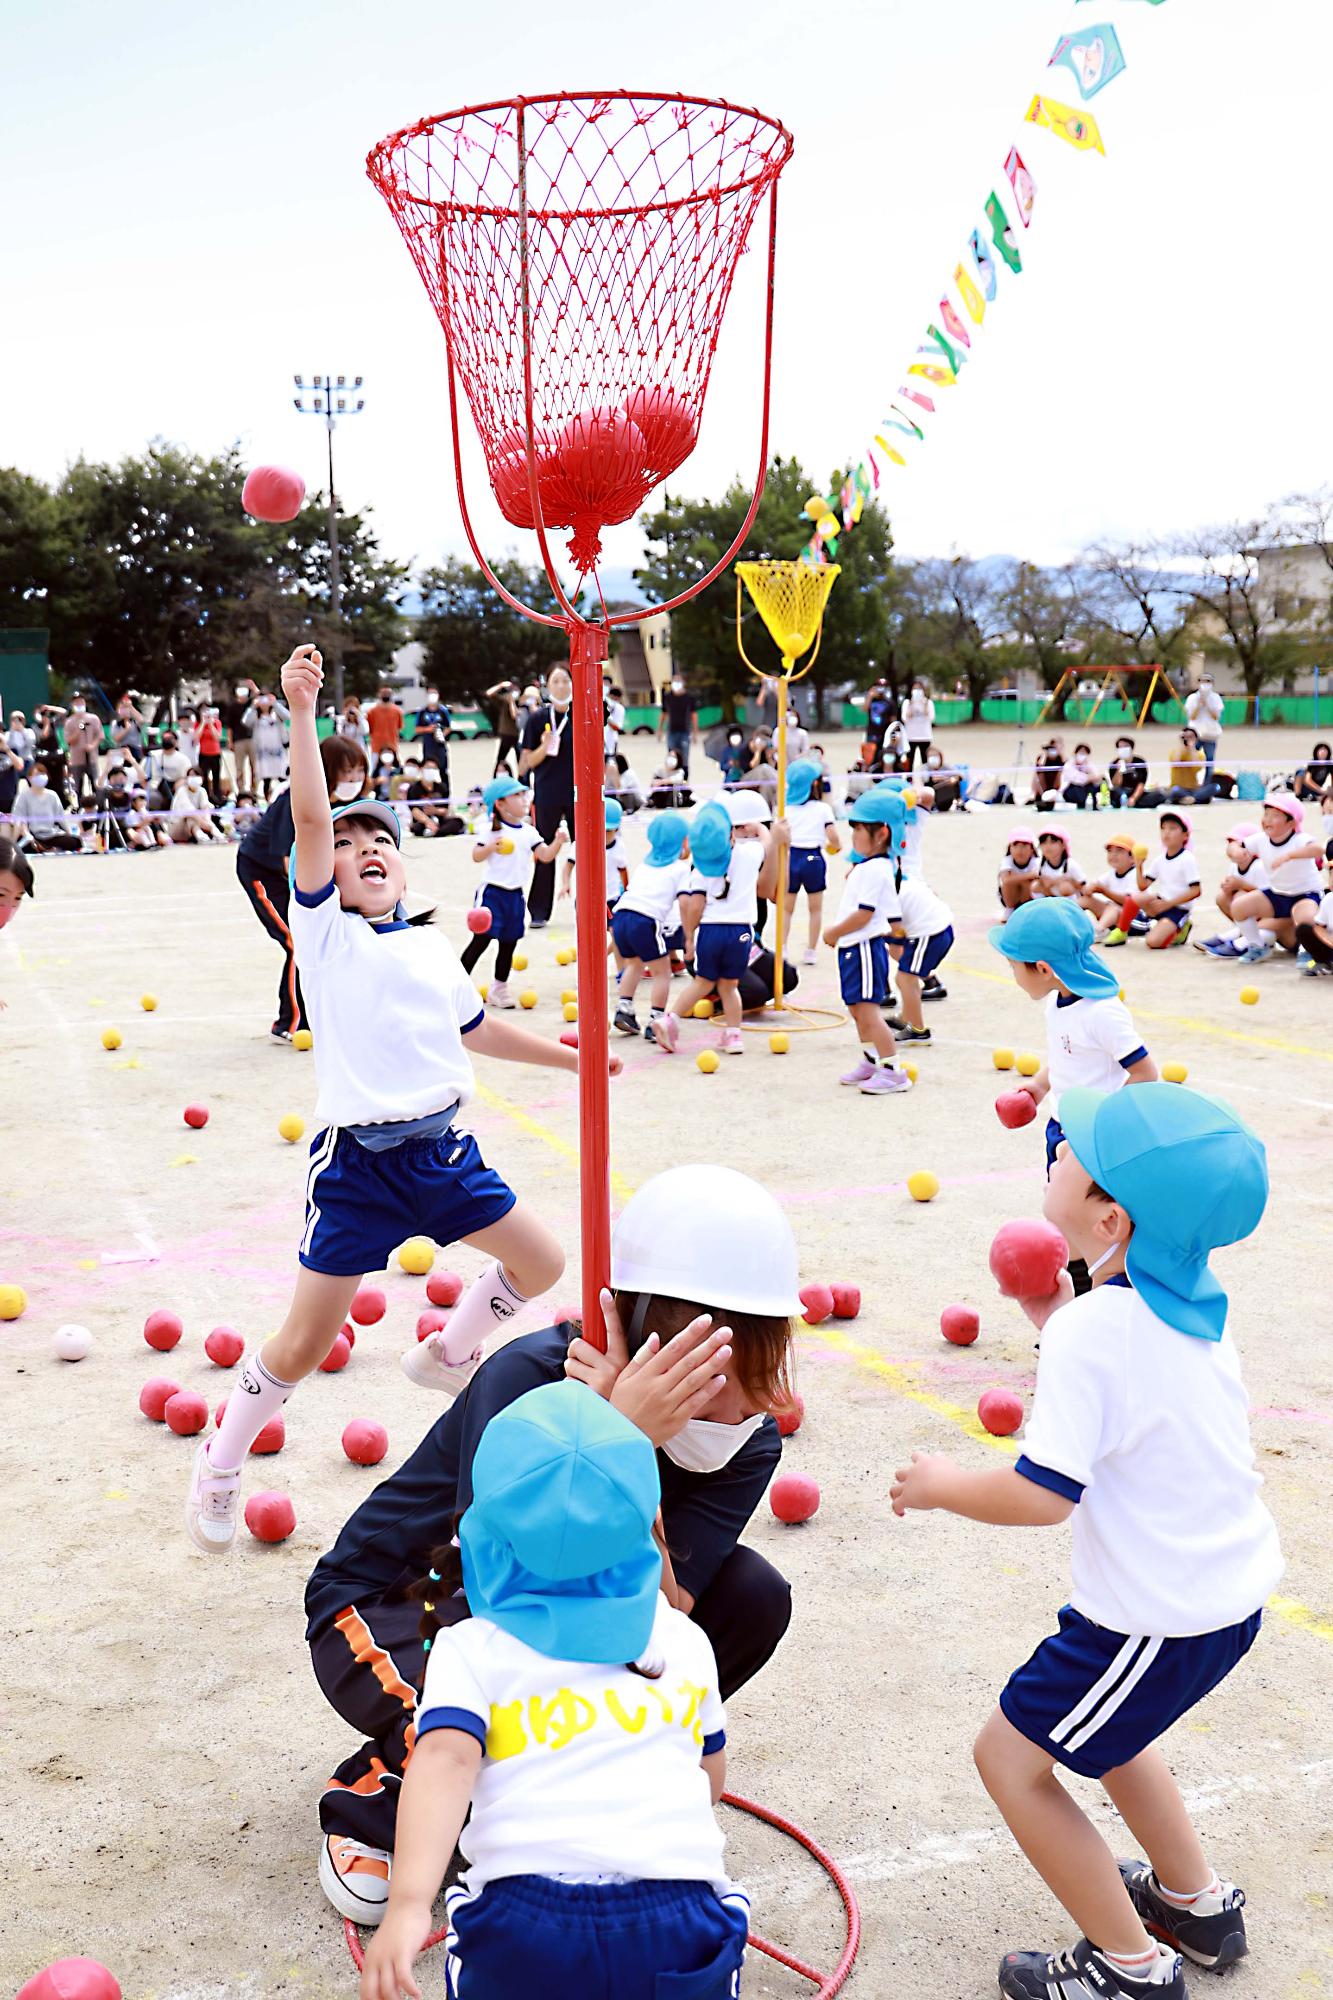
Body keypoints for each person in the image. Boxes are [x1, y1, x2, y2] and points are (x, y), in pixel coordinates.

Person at [186, 644, 620, 1557]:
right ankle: (222, 1462)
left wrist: (573, 1063)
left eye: (379, 838)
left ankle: (446, 1353)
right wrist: (301, 713)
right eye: (346, 844)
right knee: (302, 1346)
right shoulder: (326, 936)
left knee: (542, 1265)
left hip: (441, 1155)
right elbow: (306, 817)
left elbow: (477, 1032)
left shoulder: (427, 945)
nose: (364, 849)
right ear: (323, 874)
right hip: (356, 1169)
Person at [307, 1165, 797, 1928]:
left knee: (755, 1595)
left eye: (772, 1366)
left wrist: (625, 1457)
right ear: (660, 1346)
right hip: (412, 1600)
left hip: (550, 1613)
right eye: (737, 1371)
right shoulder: (530, 1377)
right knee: (483, 1679)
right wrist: (610, 1436)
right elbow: (506, 1594)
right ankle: (375, 1800)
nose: (766, 1399)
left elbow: (665, 1614)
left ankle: (592, 1767)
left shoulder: (747, 1439)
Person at [891, 1083, 1279, 2000]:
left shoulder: (1094, 1331)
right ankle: (1195, 1906)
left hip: (1150, 1616)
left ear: (1108, 1218)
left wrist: (943, 1487)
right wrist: (1054, 1323)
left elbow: (1041, 1496)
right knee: (1109, 1736)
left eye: (1069, 1150)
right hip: (1219, 1596)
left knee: (1010, 1759)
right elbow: (1127, 1385)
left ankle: (1129, 1967)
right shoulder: (1188, 1303)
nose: (1052, 1148)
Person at [359, 1380, 751, 2000]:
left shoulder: (471, 1648)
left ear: (487, 1534)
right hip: (678, 1912)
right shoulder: (683, 1641)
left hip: (525, 1922)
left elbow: (443, 1760)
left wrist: (410, 1903)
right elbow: (707, 1778)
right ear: (649, 1526)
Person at [990, 898, 1157, 1177]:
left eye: (1013, 967)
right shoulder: (1057, 1001)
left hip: (1094, 1139)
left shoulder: (1102, 1013)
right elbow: (1066, 1058)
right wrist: (1038, 1087)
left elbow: (1145, 1073)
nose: (1014, 976)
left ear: (1043, 969)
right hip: (1061, 1127)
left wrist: (1103, 1126)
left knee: (1085, 1212)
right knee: (1059, 1204)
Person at [235, 733, 370, 1042]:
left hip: (306, 876)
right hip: (263, 871)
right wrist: (312, 905)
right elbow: (288, 859)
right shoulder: (299, 798)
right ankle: (291, 1022)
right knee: (299, 941)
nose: (354, 779)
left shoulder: (353, 804)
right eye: (347, 772)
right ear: (328, 769)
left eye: (359, 771)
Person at [654, 799, 783, 1058]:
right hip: (740, 933)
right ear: (731, 834)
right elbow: (767, 847)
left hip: (711, 932)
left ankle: (671, 1019)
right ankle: (733, 1035)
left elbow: (695, 906)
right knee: (730, 985)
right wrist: (763, 829)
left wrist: (689, 938)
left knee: (703, 983)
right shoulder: (747, 855)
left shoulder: (700, 869)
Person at [821, 788, 912, 1096]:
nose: (855, 835)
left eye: (860, 829)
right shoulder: (868, 866)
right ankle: (871, 1060)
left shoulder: (876, 868)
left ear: (881, 833)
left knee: (869, 1011)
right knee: (856, 1009)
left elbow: (864, 915)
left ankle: (892, 1069)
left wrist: (834, 932)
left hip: (863, 948)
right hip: (852, 948)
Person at [461, 775, 567, 1006]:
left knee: (509, 943)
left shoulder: (528, 832)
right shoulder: (491, 830)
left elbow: (545, 856)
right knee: (481, 941)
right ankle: (457, 984)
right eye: (516, 796)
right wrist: (490, 847)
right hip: (492, 894)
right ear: (500, 804)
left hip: (515, 896)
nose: (523, 799)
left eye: (523, 794)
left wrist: (558, 841)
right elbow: (476, 856)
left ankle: (499, 988)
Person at [611, 810, 691, 1043]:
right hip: (645, 920)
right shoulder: (679, 869)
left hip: (621, 917)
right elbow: (685, 903)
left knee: (634, 965)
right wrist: (688, 935)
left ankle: (624, 1008)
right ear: (684, 842)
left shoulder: (645, 865)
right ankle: (656, 1018)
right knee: (662, 972)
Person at [1227, 792, 1325, 964]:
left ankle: (1308, 951)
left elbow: (1318, 849)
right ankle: (1257, 946)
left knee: (1307, 919)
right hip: (1277, 894)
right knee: (1239, 907)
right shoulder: (1260, 839)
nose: (1267, 820)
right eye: (1266, 814)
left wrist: (1290, 856)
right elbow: (1234, 845)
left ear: (1292, 822)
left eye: (1275, 816)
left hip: (1305, 895)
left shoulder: (1300, 839)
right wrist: (1236, 852)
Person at [517, 666, 578, 926]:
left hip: (579, 793)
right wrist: (545, 743)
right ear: (547, 686)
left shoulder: (583, 714)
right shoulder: (537, 718)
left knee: (585, 851)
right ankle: (539, 911)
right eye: (556, 681)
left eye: (566, 680)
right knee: (544, 851)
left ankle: (589, 906)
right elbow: (527, 762)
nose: (562, 686)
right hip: (547, 792)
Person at [1109, 810, 1201, 951]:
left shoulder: (1187, 859)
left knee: (1153, 942)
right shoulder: (1160, 859)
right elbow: (1142, 886)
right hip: (1162, 901)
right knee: (1135, 897)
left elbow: (1196, 890)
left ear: (1185, 835)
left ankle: (1181, 928)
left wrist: (1168, 903)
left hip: (1178, 908)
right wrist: (1139, 865)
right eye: (1163, 828)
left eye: (1172, 828)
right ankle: (1121, 931)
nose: (1166, 833)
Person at [780, 758, 839, 966]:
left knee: (786, 908)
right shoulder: (822, 809)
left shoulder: (784, 809)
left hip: (791, 858)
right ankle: (811, 951)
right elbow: (834, 839)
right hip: (814, 857)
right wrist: (833, 849)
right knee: (815, 908)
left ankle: (783, 947)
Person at [885, 873, 955, 1045]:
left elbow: (893, 933)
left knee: (905, 978)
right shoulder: (900, 878)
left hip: (929, 934)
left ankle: (917, 1029)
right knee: (903, 970)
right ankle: (907, 1017)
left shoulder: (885, 896)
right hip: (938, 928)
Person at [1196, 823, 1269, 959]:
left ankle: (1249, 938)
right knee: (1222, 897)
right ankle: (1242, 932)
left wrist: (1242, 885)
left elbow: (1269, 896)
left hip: (1264, 915)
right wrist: (1228, 886)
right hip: (1247, 911)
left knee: (1240, 897)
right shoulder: (1234, 867)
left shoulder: (1259, 867)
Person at [559, 797, 628, 932]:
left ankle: (606, 954)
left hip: (612, 898)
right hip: (585, 899)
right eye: (600, 829)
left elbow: (623, 871)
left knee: (617, 933)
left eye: (608, 831)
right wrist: (565, 883)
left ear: (617, 829)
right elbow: (568, 867)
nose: (603, 834)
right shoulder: (581, 844)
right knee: (587, 932)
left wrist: (626, 891)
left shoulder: (619, 847)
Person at [1081, 835, 1141, 941]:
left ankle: (1099, 930)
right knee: (1085, 900)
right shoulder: (1111, 874)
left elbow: (1128, 902)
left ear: (1132, 858)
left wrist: (1104, 891)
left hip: (1134, 921)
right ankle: (1064, 923)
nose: (1113, 855)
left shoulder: (1136, 875)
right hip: (1115, 917)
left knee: (1112, 907)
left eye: (1119, 851)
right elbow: (1092, 886)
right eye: (1110, 851)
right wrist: (1088, 889)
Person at [12, 763, 82, 852]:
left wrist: (69, 833)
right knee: (27, 845)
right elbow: (21, 820)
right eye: (37, 775)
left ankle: (48, 848)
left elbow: (61, 818)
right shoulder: (24, 796)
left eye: (43, 774)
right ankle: (44, 848)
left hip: (52, 834)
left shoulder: (52, 795)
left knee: (75, 841)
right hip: (35, 835)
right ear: (29, 778)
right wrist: (26, 835)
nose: (40, 777)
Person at [244, 688, 291, 799]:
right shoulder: (256, 715)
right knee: (266, 777)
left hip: (277, 749)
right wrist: (253, 707)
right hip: (263, 751)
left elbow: (288, 716)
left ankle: (283, 797)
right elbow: (246, 721)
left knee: (282, 775)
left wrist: (275, 703)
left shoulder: (276, 714)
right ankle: (267, 798)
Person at [62, 695, 103, 812]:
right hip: (76, 759)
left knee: (95, 783)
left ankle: (98, 806)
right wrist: (78, 730)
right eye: (76, 703)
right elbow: (68, 741)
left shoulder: (93, 719)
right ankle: (80, 807)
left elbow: (99, 736)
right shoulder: (69, 722)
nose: (79, 705)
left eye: (81, 702)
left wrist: (92, 746)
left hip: (92, 758)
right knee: (78, 785)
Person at [412, 685, 453, 799]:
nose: (432, 696)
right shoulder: (422, 711)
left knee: (443, 771)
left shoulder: (443, 711)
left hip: (440, 746)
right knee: (428, 770)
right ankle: (427, 795)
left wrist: (441, 735)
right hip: (428, 746)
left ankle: (446, 796)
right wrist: (428, 729)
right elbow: (417, 729)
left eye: (434, 693)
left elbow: (449, 727)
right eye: (430, 693)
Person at [658, 673, 698, 779]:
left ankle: (685, 780)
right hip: (671, 730)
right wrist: (660, 729)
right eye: (675, 681)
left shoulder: (689, 698)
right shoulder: (668, 697)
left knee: (684, 757)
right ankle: (672, 779)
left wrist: (695, 732)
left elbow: (694, 715)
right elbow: (664, 713)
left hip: (685, 731)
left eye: (679, 681)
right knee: (672, 756)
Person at [1184, 671, 1224, 770]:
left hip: (1210, 734)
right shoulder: (1192, 698)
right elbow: (1192, 717)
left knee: (1209, 761)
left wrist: (1208, 705)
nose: (1205, 684)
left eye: (1208, 681)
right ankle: (1191, 782)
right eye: (1202, 681)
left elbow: (1216, 717)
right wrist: (1199, 705)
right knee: (1190, 760)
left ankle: (1208, 783)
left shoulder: (1216, 698)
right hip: (1194, 734)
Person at [1031, 828, 1085, 900]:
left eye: (1053, 842)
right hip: (1050, 897)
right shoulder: (1039, 864)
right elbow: (1036, 876)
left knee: (1065, 887)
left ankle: (1068, 909)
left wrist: (1065, 881)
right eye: (1044, 842)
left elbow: (1083, 886)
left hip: (1071, 902)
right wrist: (1042, 880)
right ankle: (1043, 907)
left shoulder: (1070, 864)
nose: (1048, 846)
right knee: (1035, 886)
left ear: (1063, 845)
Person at [1166, 727, 1215, 806]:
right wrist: (1181, 745)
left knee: (1215, 787)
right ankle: (1194, 799)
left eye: (1191, 737)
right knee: (1175, 791)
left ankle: (1190, 799)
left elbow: (1196, 767)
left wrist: (1192, 748)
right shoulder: (1175, 752)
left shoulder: (1199, 754)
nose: (1187, 739)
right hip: (1179, 788)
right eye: (1185, 736)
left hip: (1193, 789)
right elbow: (1175, 763)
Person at [998, 827, 1041, 914]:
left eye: (1024, 845)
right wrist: (1028, 875)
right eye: (1015, 845)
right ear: (1010, 848)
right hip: (1011, 898)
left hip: (1029, 898)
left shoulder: (1036, 861)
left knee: (1030, 883)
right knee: (1008, 883)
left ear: (1032, 848)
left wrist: (1015, 877)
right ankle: (1009, 910)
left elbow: (1037, 875)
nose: (1020, 850)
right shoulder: (1007, 860)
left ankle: (1027, 909)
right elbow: (1005, 880)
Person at [484, 680, 521, 777]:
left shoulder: (521, 700)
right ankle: (496, 779)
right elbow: (488, 693)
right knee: (500, 759)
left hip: (519, 735)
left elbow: (514, 715)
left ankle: (523, 783)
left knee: (521, 761)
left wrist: (512, 701)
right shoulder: (504, 700)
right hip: (506, 734)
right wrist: (501, 685)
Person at [32, 707, 68, 801]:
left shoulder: (53, 722)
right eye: (41, 714)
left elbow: (64, 712)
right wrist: (46, 723)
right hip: (43, 759)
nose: (43, 716)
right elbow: (43, 735)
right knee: (46, 782)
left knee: (58, 782)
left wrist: (49, 708)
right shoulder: (34, 727)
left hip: (56, 757)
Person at [366, 687, 405, 770]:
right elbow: (369, 728)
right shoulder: (372, 712)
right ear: (379, 695)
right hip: (376, 748)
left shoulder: (397, 711)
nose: (386, 695)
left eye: (388, 693)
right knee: (375, 771)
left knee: (394, 771)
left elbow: (399, 727)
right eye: (384, 693)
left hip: (393, 747)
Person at [862, 678, 896, 771]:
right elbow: (864, 709)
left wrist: (893, 735)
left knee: (884, 755)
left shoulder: (890, 702)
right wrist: (870, 695)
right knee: (870, 756)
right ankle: (870, 771)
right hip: (872, 733)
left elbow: (893, 720)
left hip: (885, 734)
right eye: (879, 686)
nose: (881, 688)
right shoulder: (871, 701)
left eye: (883, 687)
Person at [901, 679, 936, 769]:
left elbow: (931, 718)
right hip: (910, 737)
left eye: (919, 689)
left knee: (925, 761)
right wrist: (911, 705)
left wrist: (924, 705)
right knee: (909, 761)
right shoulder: (907, 703)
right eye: (915, 689)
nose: (917, 691)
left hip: (925, 736)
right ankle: (909, 780)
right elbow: (904, 718)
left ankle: (927, 779)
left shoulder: (928, 702)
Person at [1108, 738, 1148, 810]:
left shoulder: (1140, 762)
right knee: (1114, 794)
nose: (1123, 749)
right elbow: (1116, 785)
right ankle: (1124, 802)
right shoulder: (1114, 764)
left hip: (1135, 791)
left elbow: (1141, 783)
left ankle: (1133, 802)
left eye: (1125, 746)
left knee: (1158, 795)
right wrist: (1118, 770)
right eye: (1120, 747)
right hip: (1121, 791)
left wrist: (1134, 798)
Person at [1293, 741, 1333, 809]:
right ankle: (1298, 795)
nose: (1322, 753)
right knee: (1300, 772)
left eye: (1324, 750)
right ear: (1316, 752)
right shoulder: (1313, 763)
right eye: (1320, 750)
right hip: (1307, 787)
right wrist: (1320, 790)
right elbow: (1307, 780)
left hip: (1316, 789)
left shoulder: (1329, 763)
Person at [196, 706, 225, 802]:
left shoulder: (217, 722)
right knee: (204, 778)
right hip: (203, 754)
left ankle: (217, 798)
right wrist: (203, 723)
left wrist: (211, 724)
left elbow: (217, 737)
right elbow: (196, 737)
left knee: (216, 778)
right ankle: (206, 798)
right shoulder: (198, 723)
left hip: (215, 754)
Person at [1060, 744, 1100, 810]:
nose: (1083, 755)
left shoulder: (1089, 764)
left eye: (1085, 753)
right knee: (1078, 791)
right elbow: (1078, 780)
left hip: (1086, 788)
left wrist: (1089, 773)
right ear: (1075, 753)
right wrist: (1090, 777)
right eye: (1081, 753)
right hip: (1071, 788)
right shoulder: (1069, 765)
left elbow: (1097, 778)